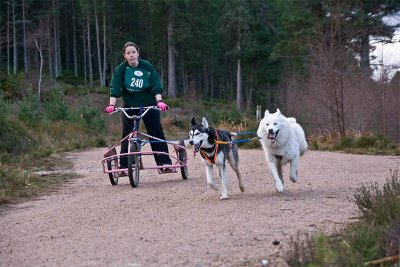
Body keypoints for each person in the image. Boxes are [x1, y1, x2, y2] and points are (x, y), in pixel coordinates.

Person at [105, 41, 172, 172]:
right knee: (127, 134)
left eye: (133, 52)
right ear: (124, 55)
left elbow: (155, 85)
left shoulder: (146, 66)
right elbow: (115, 87)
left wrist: (160, 101)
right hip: (130, 106)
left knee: (155, 131)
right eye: (128, 53)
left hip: (149, 104)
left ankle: (164, 163)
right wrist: (111, 105)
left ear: (138, 53)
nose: (131, 55)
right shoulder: (122, 69)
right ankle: (124, 165)